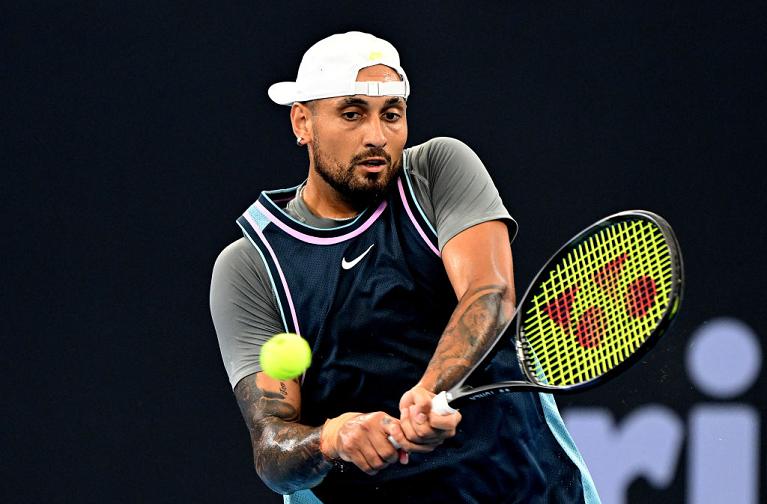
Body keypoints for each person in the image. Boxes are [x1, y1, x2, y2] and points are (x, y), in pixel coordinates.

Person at [210, 31, 599, 504]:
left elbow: (489, 295)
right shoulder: (252, 267)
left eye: (391, 115)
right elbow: (273, 452)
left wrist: (430, 390)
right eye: (352, 114)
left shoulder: (438, 170)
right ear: (302, 122)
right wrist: (333, 439)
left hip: (527, 489)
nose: (377, 136)